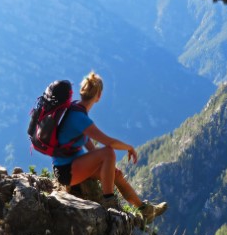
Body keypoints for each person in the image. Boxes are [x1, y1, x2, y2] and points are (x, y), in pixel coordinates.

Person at [52, 71, 167, 223]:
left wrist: (106, 168)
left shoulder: (76, 109)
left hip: (70, 166)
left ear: (82, 91)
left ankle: (146, 211)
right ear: (98, 96)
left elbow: (86, 142)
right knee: (108, 152)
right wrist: (129, 147)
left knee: (116, 174)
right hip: (67, 172)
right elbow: (109, 143)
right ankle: (110, 203)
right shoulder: (80, 117)